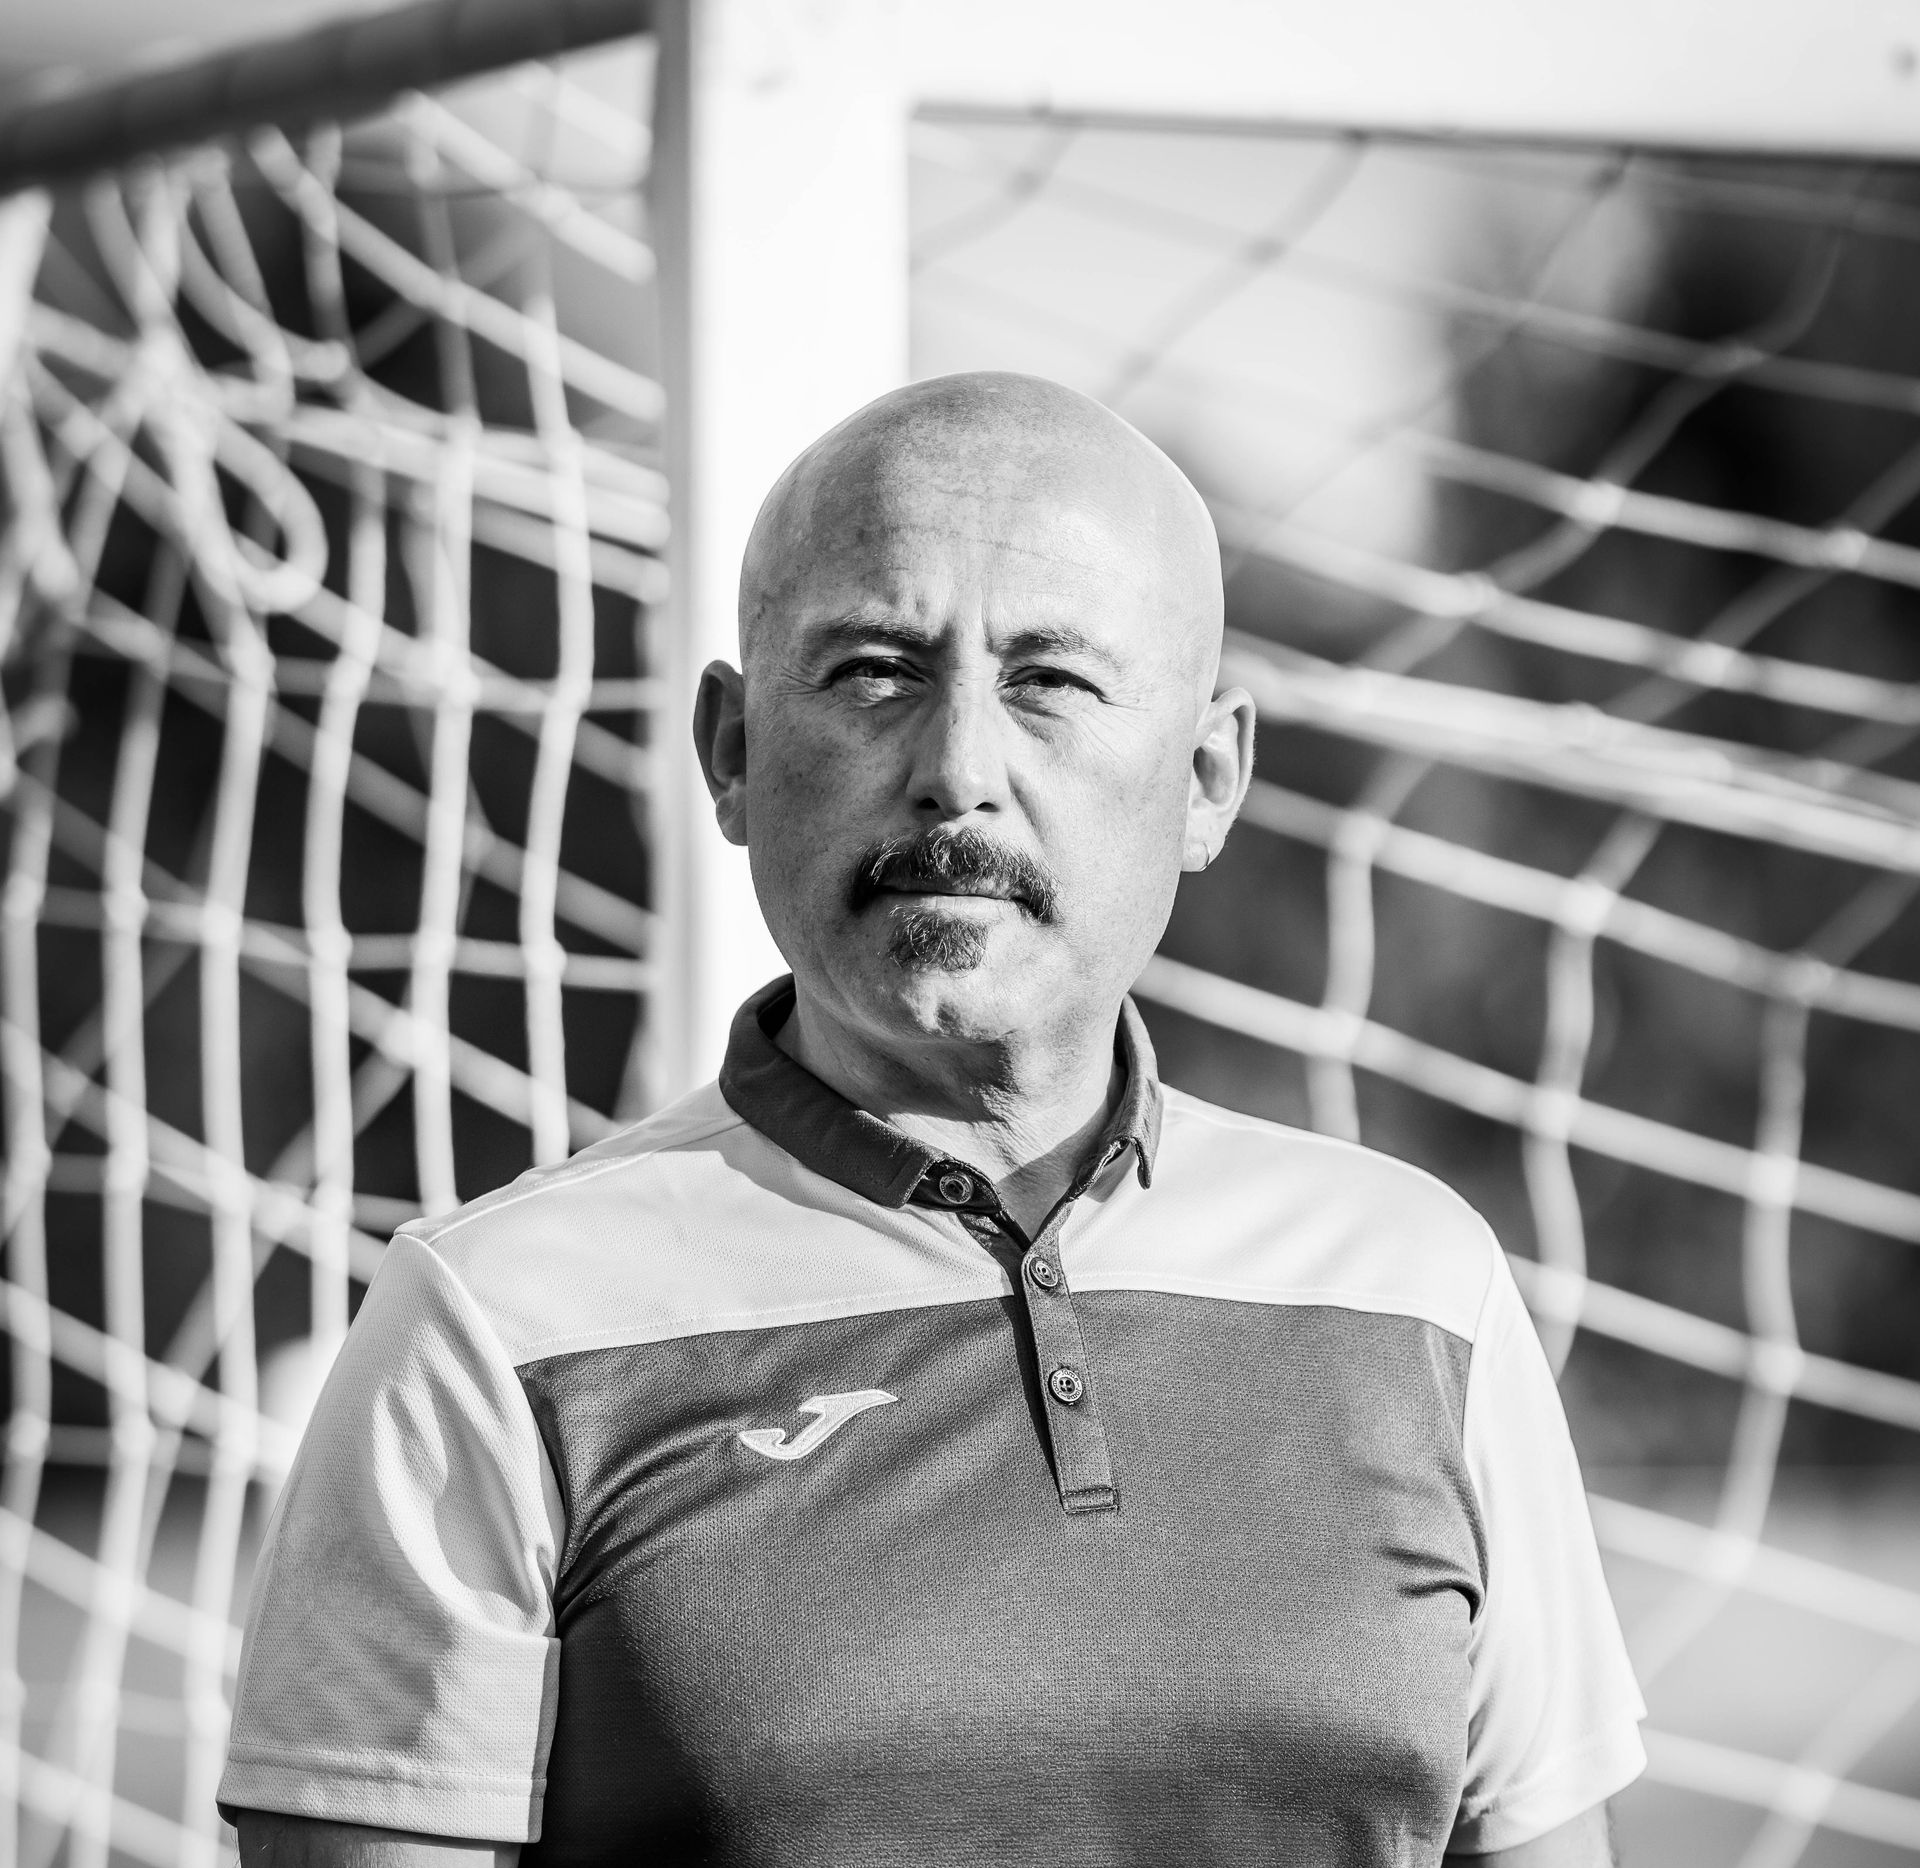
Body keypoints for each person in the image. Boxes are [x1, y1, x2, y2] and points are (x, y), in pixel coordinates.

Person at [222, 372, 1645, 1867]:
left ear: (1210, 776)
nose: (959, 769)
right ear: (730, 750)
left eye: (1052, 681)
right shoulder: (493, 1329)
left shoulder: (1420, 1284)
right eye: (873, 670)